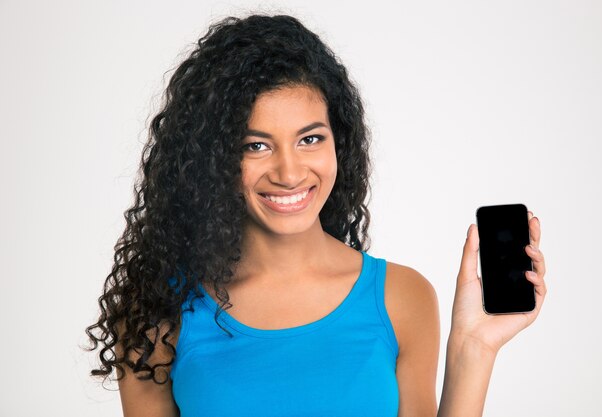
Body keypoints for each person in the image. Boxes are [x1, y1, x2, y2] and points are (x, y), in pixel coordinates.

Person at [85, 14, 547, 417]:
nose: (289, 172)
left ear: (338, 143)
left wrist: (474, 350)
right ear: (213, 157)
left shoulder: (401, 298)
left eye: (310, 139)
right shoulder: (157, 314)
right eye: (256, 145)